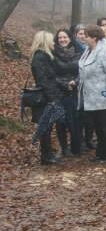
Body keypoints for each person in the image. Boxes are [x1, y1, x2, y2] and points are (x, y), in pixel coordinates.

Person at [77, 24, 106, 163]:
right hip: (91, 98)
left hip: (105, 97)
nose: (84, 38)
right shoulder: (88, 51)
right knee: (98, 128)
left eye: (86, 36)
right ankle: (101, 153)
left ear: (95, 37)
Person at [29, 31, 65, 165]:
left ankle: (48, 154)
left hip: (49, 96)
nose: (53, 43)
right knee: (45, 127)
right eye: (51, 40)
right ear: (45, 41)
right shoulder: (40, 58)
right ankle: (46, 156)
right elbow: (42, 81)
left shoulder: (45, 56)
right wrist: (52, 98)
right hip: (46, 98)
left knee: (48, 127)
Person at [52, 28, 82, 157]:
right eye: (60, 38)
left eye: (65, 37)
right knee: (60, 121)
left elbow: (83, 70)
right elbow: (51, 74)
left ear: (70, 38)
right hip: (59, 91)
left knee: (76, 120)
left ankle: (76, 147)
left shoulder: (78, 52)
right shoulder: (52, 54)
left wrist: (75, 82)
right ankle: (64, 148)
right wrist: (65, 84)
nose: (62, 40)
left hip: (76, 90)